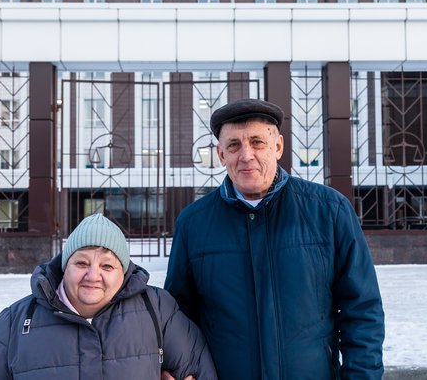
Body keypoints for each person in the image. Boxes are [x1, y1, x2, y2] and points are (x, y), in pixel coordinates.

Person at [165, 98, 385, 380]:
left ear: (277, 146)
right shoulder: (193, 224)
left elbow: (362, 311)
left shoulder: (329, 211)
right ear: (221, 154)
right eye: (234, 145)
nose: (246, 155)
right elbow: (179, 317)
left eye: (257, 142)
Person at [0, 213, 217, 380]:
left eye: (107, 266)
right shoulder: (17, 321)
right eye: (82, 263)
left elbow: (200, 373)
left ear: (123, 272)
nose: (93, 275)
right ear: (65, 266)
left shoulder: (157, 310)